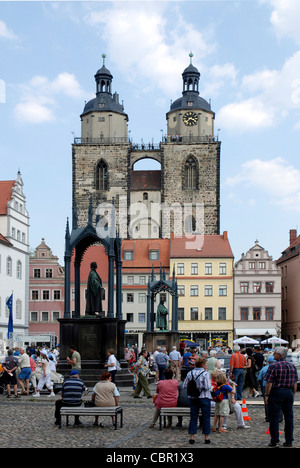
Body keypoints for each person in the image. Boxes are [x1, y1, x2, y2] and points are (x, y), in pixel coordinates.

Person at [264, 346, 298, 447]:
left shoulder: (273, 366)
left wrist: (267, 395)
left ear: (279, 355)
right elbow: (295, 383)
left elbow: (269, 382)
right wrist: (293, 394)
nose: (273, 355)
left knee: (274, 417)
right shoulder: (292, 366)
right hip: (288, 392)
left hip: (276, 392)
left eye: (274, 353)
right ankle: (289, 441)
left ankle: (275, 440)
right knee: (289, 417)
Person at [183, 358, 212, 445]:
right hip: (204, 397)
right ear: (202, 365)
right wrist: (200, 387)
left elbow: (184, 386)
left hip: (192, 397)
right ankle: (206, 437)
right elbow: (207, 387)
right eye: (206, 364)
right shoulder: (205, 374)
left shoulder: (190, 373)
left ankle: (192, 437)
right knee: (206, 417)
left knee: (193, 417)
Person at [257, 356, 275, 423]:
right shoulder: (277, 368)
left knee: (267, 402)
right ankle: (279, 417)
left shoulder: (264, 368)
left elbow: (259, 378)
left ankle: (268, 417)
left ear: (268, 362)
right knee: (277, 402)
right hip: (275, 387)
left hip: (265, 386)